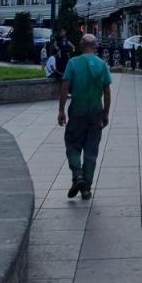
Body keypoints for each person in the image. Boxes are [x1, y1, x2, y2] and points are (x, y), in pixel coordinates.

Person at [57, 33, 112, 199]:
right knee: (91, 150)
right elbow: (107, 91)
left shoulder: (73, 63)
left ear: (81, 45)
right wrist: (106, 113)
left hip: (77, 110)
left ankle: (77, 175)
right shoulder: (102, 65)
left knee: (72, 144)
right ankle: (86, 188)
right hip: (95, 110)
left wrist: (61, 110)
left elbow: (65, 87)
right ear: (95, 47)